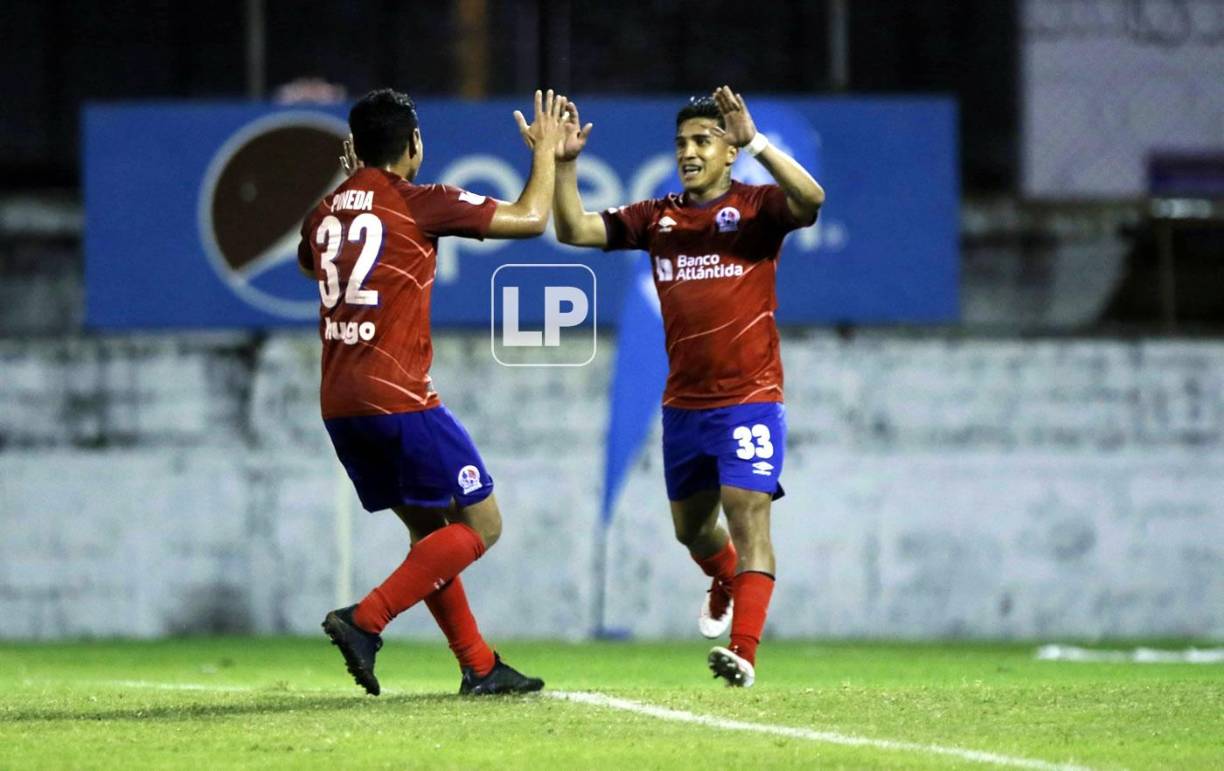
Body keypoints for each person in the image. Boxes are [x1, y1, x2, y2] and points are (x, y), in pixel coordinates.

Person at [297, 87, 568, 696]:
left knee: (429, 533)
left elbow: (309, 263)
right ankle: (364, 621)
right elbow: (530, 219)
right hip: (398, 397)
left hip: (339, 405)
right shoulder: (423, 202)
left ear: (356, 148)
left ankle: (478, 665)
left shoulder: (326, 212)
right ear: (413, 145)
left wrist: (349, 189)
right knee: (483, 524)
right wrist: (547, 153)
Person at [552, 86, 824, 687]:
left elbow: (811, 199)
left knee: (748, 514)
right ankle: (722, 575)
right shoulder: (657, 218)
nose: (689, 152)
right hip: (684, 409)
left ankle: (744, 652)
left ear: (730, 151)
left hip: (751, 398)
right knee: (693, 531)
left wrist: (758, 141)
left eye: (703, 141)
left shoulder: (757, 209)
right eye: (681, 143)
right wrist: (566, 165)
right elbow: (573, 230)